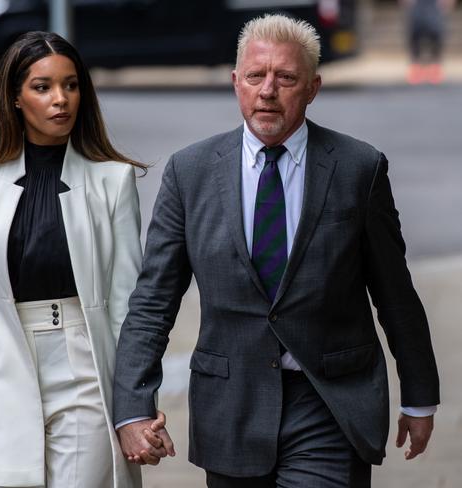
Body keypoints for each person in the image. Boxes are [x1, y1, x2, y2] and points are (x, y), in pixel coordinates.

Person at [113, 14, 440, 488]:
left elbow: (394, 293)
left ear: (312, 88)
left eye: (285, 78)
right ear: (235, 83)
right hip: (232, 406)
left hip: (329, 401)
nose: (268, 90)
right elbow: (153, 301)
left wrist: (419, 395)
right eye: (255, 76)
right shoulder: (190, 173)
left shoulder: (358, 169)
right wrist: (132, 407)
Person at [0, 31, 163, 488]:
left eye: (70, 85)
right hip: (4, 365)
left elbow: (127, 304)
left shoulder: (113, 178)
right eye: (43, 87)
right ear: (14, 97)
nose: (60, 100)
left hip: (85, 365)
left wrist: (135, 405)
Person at [401, 0, 457, 84]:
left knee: (436, 32)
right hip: (417, 4)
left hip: (435, 4)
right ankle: (415, 67)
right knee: (415, 33)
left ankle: (435, 67)